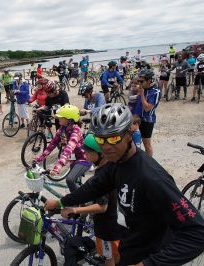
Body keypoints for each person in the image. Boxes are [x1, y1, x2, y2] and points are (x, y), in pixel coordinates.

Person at [45, 103, 204, 265]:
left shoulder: (151, 178)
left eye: (113, 138)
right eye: (101, 139)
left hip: (148, 255)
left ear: (130, 134)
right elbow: (93, 187)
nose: (106, 147)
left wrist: (148, 264)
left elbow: (197, 233)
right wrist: (61, 202)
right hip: (126, 250)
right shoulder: (117, 162)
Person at [62, 134, 121, 266]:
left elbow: (102, 206)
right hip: (111, 224)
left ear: (101, 154)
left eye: (88, 151)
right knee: (114, 256)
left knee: (109, 258)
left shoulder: (103, 176)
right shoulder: (108, 168)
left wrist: (75, 209)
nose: (85, 153)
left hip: (107, 228)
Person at [35, 105, 91, 192]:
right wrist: (40, 158)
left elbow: (68, 150)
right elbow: (52, 144)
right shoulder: (62, 129)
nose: (58, 118)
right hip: (73, 159)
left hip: (83, 159)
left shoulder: (76, 131)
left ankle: (78, 201)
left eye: (61, 117)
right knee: (74, 184)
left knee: (70, 180)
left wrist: (57, 168)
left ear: (69, 119)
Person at [133, 69, 160, 156]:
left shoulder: (155, 92)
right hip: (136, 118)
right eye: (138, 81)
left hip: (147, 120)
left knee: (146, 144)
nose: (139, 83)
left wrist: (141, 94)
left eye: (141, 81)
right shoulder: (142, 88)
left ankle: (149, 163)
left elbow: (147, 108)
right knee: (133, 142)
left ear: (149, 81)